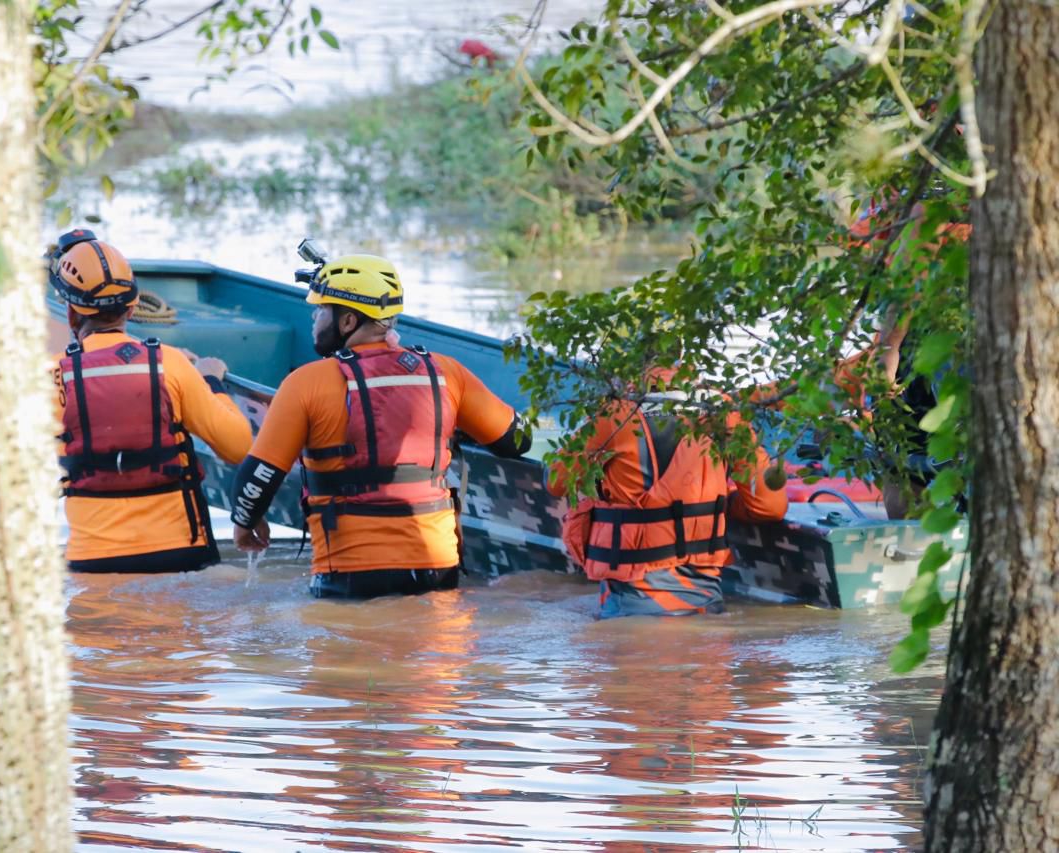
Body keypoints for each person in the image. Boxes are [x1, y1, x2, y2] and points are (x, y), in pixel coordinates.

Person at [229, 253, 531, 598]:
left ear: (347, 322)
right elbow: (517, 441)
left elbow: (258, 476)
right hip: (437, 571)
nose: (313, 317)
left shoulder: (305, 383)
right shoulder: (445, 373)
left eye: (321, 309)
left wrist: (243, 523)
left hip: (348, 575)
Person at [49, 229, 253, 572]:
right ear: (132, 308)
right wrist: (210, 381)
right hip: (182, 556)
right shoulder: (170, 363)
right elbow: (238, 448)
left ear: (70, 314)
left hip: (93, 562)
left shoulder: (52, 376)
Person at [550, 373, 787, 617]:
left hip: (632, 605)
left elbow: (555, 482)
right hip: (706, 603)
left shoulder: (614, 415)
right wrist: (717, 505)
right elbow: (769, 506)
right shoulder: (723, 412)